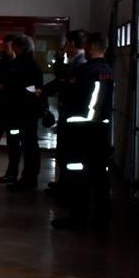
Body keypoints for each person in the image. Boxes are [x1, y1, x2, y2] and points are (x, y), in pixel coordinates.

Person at [52, 32, 115, 230]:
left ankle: (78, 218)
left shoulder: (86, 71)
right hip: (101, 132)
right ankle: (101, 219)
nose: (84, 49)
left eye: (87, 45)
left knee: (78, 176)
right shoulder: (108, 70)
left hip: (81, 132)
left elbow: (74, 96)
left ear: (93, 46)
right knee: (99, 177)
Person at [42, 30, 87, 198]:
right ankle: (63, 184)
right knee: (62, 153)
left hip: (73, 117)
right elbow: (61, 78)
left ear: (72, 44)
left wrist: (59, 58)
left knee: (68, 155)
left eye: (67, 43)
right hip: (67, 114)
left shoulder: (80, 64)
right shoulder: (75, 62)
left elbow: (62, 79)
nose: (64, 47)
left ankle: (67, 189)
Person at [0, 33, 44, 190]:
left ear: (21, 47)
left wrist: (9, 88)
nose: (12, 49)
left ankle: (28, 180)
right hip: (26, 111)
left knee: (29, 146)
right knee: (28, 146)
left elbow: (29, 87)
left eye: (15, 46)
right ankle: (27, 178)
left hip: (24, 112)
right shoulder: (28, 63)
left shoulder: (25, 65)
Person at [0, 36, 22, 183]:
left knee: (14, 144)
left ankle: (12, 173)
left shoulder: (20, 66)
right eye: (4, 46)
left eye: (8, 46)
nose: (5, 49)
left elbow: (24, 87)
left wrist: (4, 87)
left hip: (13, 112)